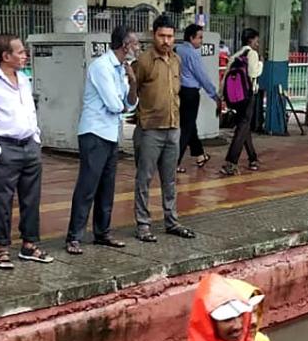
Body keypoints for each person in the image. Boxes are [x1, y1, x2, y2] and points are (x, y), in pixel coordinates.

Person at [0, 33, 53, 269]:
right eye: (20, 52)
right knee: (3, 200)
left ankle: (29, 244)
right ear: (6, 56)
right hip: (5, 147)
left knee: (31, 199)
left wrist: (36, 138)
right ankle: (2, 249)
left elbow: (30, 111)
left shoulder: (24, 80)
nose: (24, 55)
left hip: (29, 145)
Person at [65, 26, 139, 255]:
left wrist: (133, 82)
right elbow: (116, 105)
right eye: (134, 43)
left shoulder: (121, 70)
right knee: (88, 186)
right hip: (94, 133)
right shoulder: (101, 67)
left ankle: (102, 232)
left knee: (107, 186)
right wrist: (124, 101)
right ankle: (74, 236)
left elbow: (130, 104)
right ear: (124, 45)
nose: (137, 47)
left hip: (110, 133)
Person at [133, 14, 195, 243]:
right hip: (150, 128)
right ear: (153, 35)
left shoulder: (176, 60)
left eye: (170, 36)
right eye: (162, 36)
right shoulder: (144, 61)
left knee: (169, 179)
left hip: (173, 127)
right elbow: (133, 91)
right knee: (144, 178)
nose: (166, 41)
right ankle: (143, 224)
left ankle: (172, 221)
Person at [175, 24, 220, 173]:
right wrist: (214, 94)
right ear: (191, 37)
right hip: (191, 93)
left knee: (189, 123)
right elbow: (202, 76)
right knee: (186, 128)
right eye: (199, 37)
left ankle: (200, 155)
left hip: (179, 91)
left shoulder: (177, 49)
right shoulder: (192, 54)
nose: (201, 41)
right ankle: (175, 162)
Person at [219, 27, 263, 176]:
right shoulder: (252, 54)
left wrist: (222, 96)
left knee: (244, 127)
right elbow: (253, 73)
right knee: (242, 127)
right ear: (251, 40)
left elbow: (225, 77)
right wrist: (261, 64)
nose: (258, 43)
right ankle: (231, 162)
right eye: (257, 40)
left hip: (234, 98)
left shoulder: (236, 55)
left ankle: (253, 158)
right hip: (247, 96)